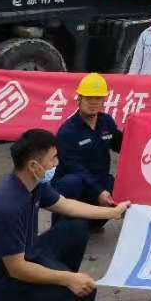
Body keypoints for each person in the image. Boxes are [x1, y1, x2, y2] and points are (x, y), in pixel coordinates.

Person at [0, 128, 131, 301]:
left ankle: (58, 299)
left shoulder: (33, 185)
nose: (56, 163)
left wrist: (113, 212)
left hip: (26, 254)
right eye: (53, 159)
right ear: (34, 166)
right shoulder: (7, 206)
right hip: (1, 281)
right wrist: (68, 278)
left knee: (75, 226)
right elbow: (17, 269)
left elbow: (67, 205)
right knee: (84, 297)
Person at [53, 74, 123, 229]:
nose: (93, 102)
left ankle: (92, 224)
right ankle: (61, 225)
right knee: (71, 182)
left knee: (116, 183)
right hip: (77, 184)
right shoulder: (67, 132)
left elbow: (123, 145)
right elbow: (74, 168)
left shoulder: (106, 122)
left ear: (104, 100)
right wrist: (99, 191)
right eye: (89, 98)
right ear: (79, 99)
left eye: (98, 98)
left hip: (99, 182)